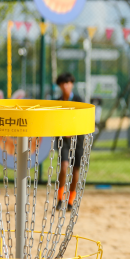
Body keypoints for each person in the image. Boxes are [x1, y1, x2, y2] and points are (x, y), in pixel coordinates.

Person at [55, 72, 85, 211]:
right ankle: (60, 199)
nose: (66, 86)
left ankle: (71, 201)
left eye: (68, 83)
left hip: (78, 139)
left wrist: (73, 132)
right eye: (63, 83)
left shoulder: (79, 100)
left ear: (72, 84)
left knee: (76, 170)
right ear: (60, 86)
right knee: (64, 167)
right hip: (63, 140)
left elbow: (83, 119)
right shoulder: (58, 102)